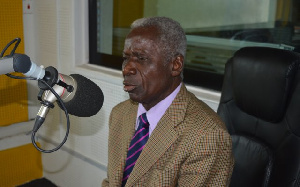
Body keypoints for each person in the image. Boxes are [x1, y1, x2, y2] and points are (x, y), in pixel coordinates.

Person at [102, 16, 234, 187]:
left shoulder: (208, 136)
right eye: (126, 58)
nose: (126, 68)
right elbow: (112, 181)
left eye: (141, 58)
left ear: (175, 65)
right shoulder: (120, 113)